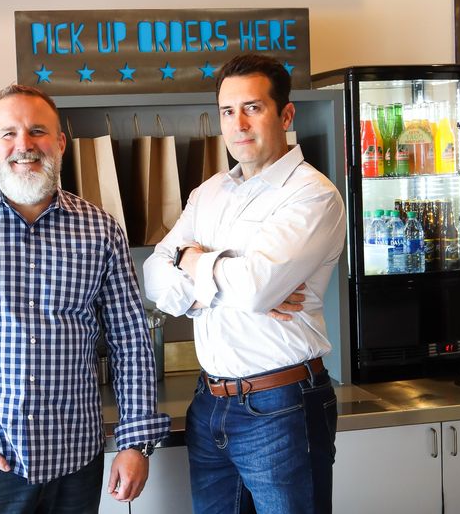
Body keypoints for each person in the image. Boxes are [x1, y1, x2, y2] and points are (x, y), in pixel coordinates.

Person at [0, 84, 170, 514]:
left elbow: (130, 340)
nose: (23, 145)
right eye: (8, 133)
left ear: (60, 142)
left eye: (37, 131)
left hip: (77, 462)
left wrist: (135, 442)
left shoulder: (101, 230)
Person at [144, 54, 346, 514]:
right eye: (227, 111)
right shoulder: (209, 192)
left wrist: (191, 260)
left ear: (286, 114)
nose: (238, 124)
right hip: (209, 403)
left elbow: (256, 289)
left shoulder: (311, 194)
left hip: (283, 406)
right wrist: (222, 277)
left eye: (252, 108)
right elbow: (155, 278)